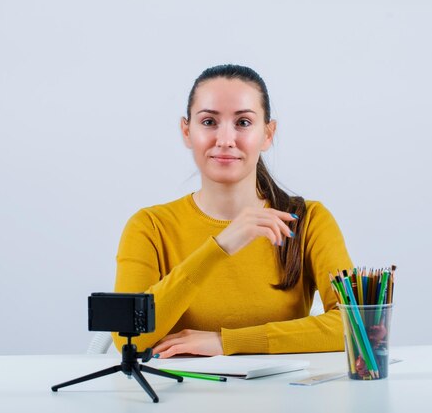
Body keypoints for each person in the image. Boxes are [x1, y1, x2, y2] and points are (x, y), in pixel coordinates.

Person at [112, 64, 352, 358]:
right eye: (209, 122)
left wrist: (229, 342)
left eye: (243, 123)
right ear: (187, 132)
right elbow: (128, 339)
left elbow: (355, 326)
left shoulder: (308, 220)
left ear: (268, 133)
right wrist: (220, 246)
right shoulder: (149, 226)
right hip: (178, 397)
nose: (225, 140)